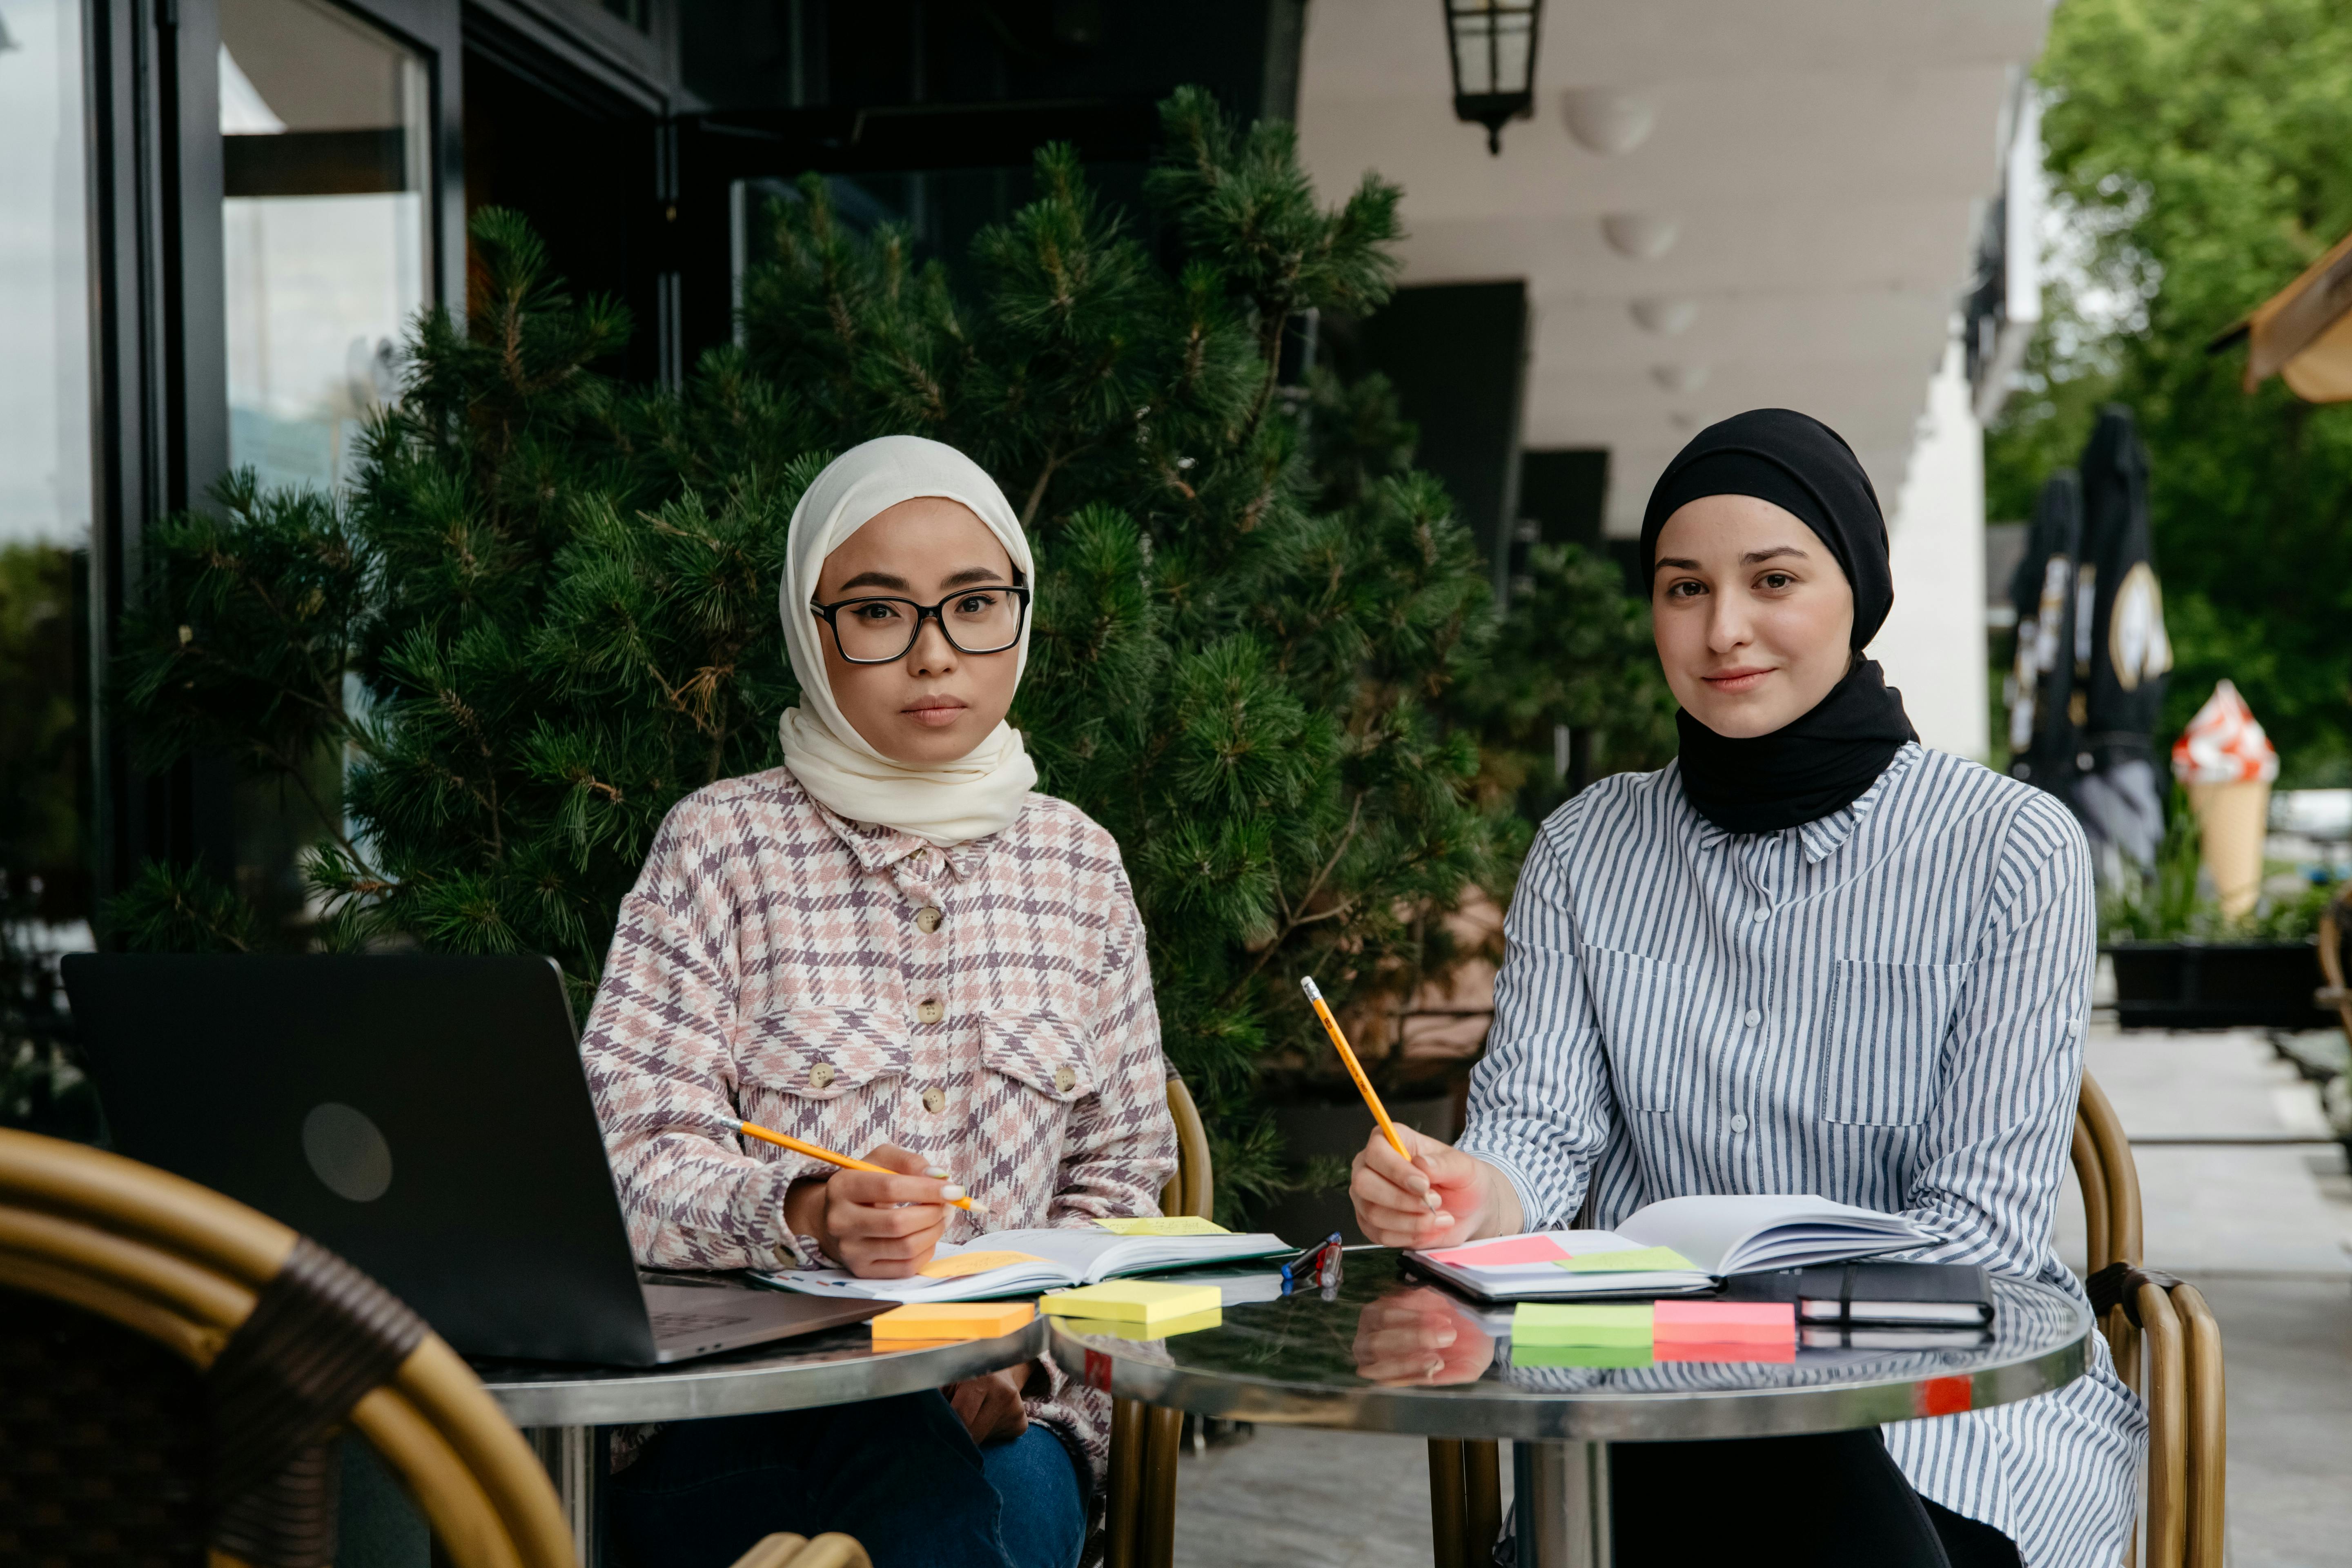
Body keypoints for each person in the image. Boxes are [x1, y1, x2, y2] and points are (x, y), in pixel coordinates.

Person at [1347, 410, 2146, 1568]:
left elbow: (1983, 1230)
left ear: (1856, 592)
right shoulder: (1586, 847)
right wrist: (1475, 1193)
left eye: (1774, 578)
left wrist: (1754, 1338)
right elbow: (1538, 1132)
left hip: (1947, 1418)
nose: (1724, 630)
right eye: (1682, 589)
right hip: (1648, 1414)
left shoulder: (2012, 848)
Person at [580, 435, 1178, 1568]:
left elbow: (1120, 1188)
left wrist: (1013, 1356)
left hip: (1011, 1415)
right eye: (878, 612)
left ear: (1022, 610)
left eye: (973, 605)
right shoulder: (721, 849)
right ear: (814, 630)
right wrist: (806, 1212)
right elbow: (626, 1162)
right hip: (744, 1416)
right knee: (917, 1502)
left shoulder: (1078, 868)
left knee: (979, 1505)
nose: (933, 655)